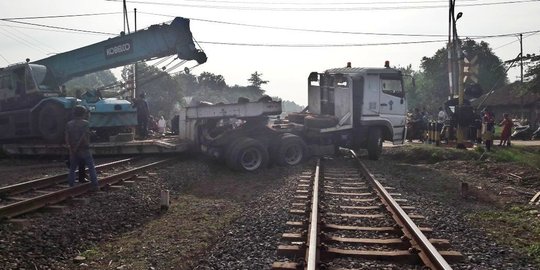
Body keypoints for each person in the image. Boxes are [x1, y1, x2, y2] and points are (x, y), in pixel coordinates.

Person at [65, 105, 99, 189]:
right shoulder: (85, 123)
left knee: (72, 168)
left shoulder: (69, 124)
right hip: (84, 148)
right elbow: (83, 137)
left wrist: (70, 147)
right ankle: (95, 185)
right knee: (91, 167)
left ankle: (71, 184)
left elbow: (66, 136)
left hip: (73, 149)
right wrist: (78, 146)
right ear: (83, 113)